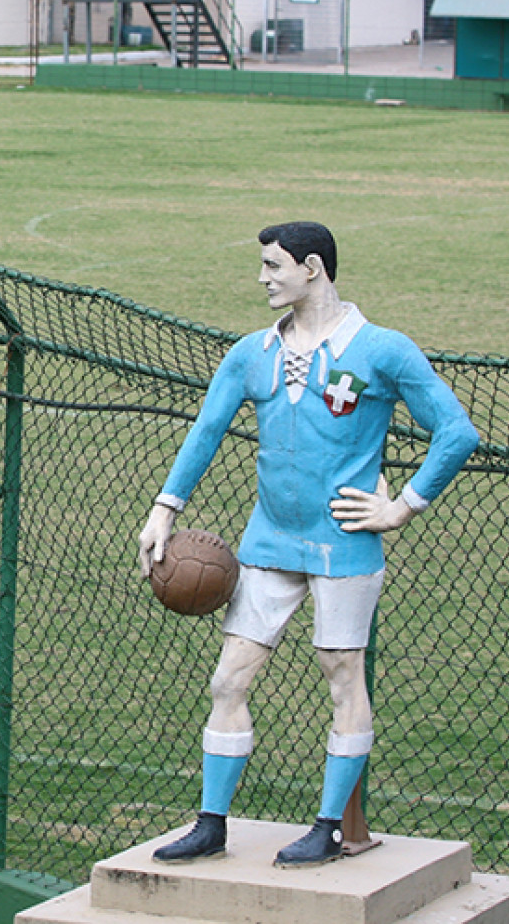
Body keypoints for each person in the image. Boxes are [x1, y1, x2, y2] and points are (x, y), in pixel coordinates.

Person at [137, 222, 479, 869]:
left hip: (343, 546)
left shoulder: (382, 350)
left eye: (272, 266)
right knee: (227, 678)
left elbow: (456, 432)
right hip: (266, 543)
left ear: (312, 268)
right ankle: (211, 822)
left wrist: (402, 505)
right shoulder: (250, 353)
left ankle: (327, 828)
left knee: (341, 674)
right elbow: (207, 428)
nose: (262, 278)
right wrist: (164, 506)